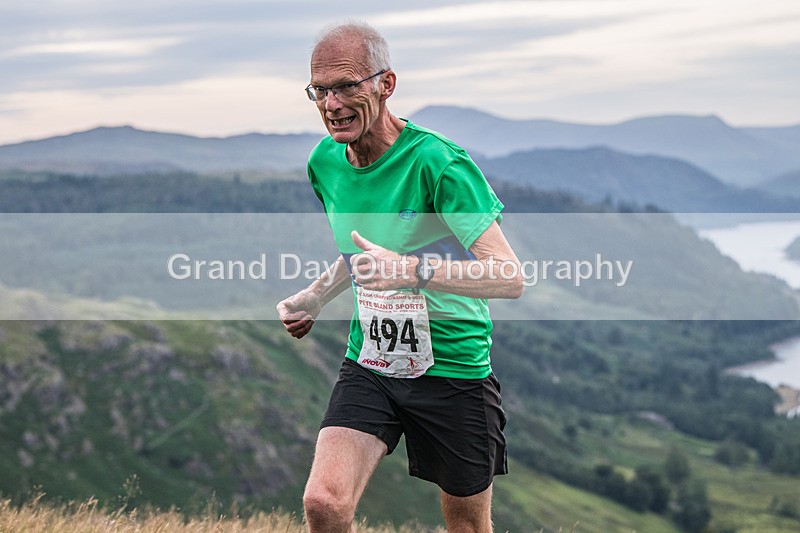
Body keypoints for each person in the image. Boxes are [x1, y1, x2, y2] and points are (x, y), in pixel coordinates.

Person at [276, 21, 523, 533]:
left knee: (467, 528)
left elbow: (507, 277)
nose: (331, 104)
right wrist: (316, 297)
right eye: (319, 90)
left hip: (453, 366)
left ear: (385, 84)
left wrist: (412, 270)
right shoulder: (325, 162)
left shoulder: (439, 162)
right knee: (324, 502)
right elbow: (359, 252)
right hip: (371, 359)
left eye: (346, 86)